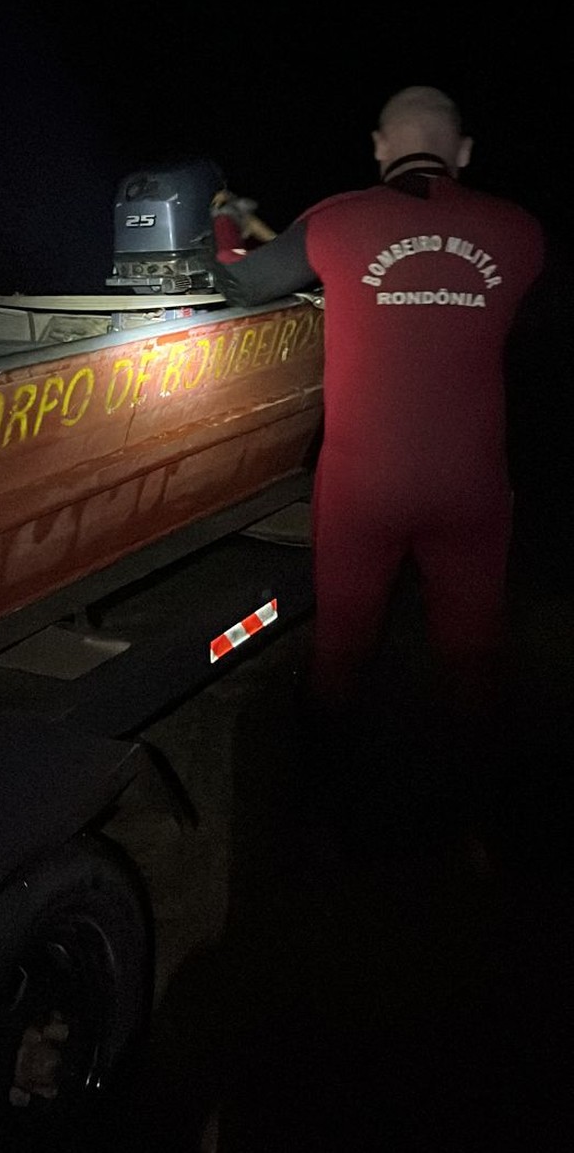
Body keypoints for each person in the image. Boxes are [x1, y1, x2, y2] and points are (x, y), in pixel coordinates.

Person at [208, 86, 547, 864]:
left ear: (379, 146)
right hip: (470, 486)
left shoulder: (335, 220)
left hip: (364, 487)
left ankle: (322, 826)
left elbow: (241, 280)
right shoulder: (520, 231)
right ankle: (478, 834)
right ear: (462, 153)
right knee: (471, 653)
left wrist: (227, 219)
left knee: (342, 652)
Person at [209, 186, 278, 262]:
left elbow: (251, 205)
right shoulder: (217, 214)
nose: (222, 195)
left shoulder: (236, 205)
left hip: (240, 230)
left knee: (253, 222)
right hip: (229, 249)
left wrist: (231, 198)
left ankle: (278, 242)